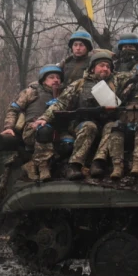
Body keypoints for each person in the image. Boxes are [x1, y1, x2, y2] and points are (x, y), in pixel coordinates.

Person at [36, 49, 120, 180]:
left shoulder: (116, 83)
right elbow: (61, 102)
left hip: (105, 123)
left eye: (108, 66)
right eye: (101, 65)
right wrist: (44, 118)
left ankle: (98, 162)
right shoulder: (79, 84)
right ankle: (74, 165)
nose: (105, 68)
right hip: (81, 124)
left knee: (113, 126)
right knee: (89, 126)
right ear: (92, 68)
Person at [0, 65, 65, 183]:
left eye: (58, 77)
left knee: (68, 144)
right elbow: (13, 109)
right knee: (44, 130)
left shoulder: (64, 95)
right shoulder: (31, 92)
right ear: (43, 79)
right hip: (33, 130)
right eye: (51, 77)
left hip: (58, 132)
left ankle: (34, 164)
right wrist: (9, 127)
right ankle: (42, 167)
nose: (56, 80)